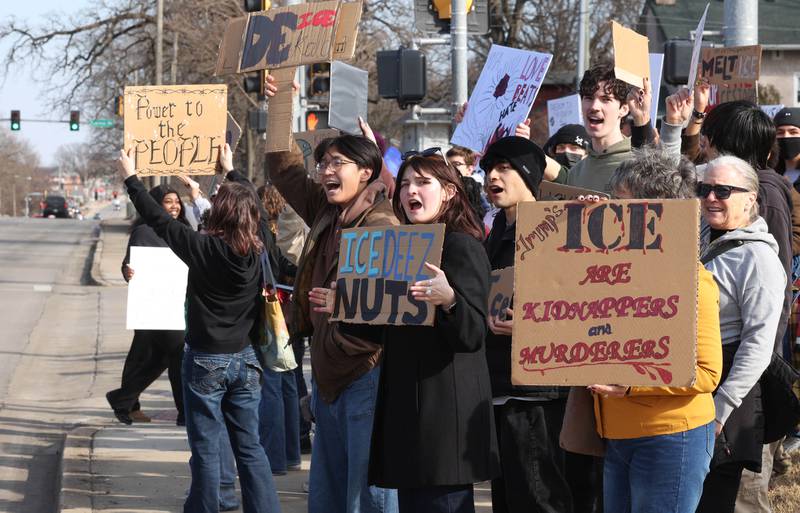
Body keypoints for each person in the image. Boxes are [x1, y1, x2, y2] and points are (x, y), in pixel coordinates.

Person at [310, 150, 500, 513]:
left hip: (444, 416)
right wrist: (347, 306)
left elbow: (474, 334)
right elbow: (386, 327)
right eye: (407, 183)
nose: (411, 191)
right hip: (404, 410)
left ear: (449, 192)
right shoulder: (400, 248)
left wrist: (449, 300)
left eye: (424, 183)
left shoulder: (462, 245)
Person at [116, 144, 281, 513]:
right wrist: (230, 173)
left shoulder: (203, 249)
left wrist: (131, 178)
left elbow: (159, 220)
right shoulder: (259, 247)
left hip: (207, 360)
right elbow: (249, 204)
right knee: (250, 447)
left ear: (220, 215)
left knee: (206, 449)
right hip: (247, 361)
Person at [265, 90, 399, 513]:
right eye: (323, 163)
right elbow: (284, 171)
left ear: (366, 172)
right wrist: (278, 109)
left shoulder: (385, 222)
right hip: (325, 373)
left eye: (336, 163)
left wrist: (344, 299)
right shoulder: (325, 210)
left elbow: (396, 295)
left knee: (369, 493)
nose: (325, 172)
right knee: (328, 492)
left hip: (365, 371)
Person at [585, 147, 723, 513]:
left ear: (655, 214)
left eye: (622, 204)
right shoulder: (607, 275)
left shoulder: (692, 280)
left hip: (670, 437)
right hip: (616, 436)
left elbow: (707, 373)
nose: (610, 212)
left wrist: (632, 383)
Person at [480, 136, 581, 513]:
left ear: (530, 176)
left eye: (505, 168)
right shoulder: (494, 232)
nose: (494, 176)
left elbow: (579, 309)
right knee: (507, 499)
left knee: (539, 498)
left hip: (538, 393)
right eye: (489, 168)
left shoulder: (556, 231)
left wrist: (531, 325)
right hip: (500, 388)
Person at [694, 156, 786, 513]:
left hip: (727, 402)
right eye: (705, 189)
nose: (711, 197)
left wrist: (721, 410)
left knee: (716, 502)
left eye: (723, 190)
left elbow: (759, 344)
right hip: (693, 390)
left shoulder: (758, 260)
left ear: (751, 199)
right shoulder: (700, 236)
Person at [106, 184, 188, 426]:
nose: (175, 206)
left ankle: (124, 400)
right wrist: (127, 271)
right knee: (146, 356)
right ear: (155, 205)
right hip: (150, 303)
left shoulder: (183, 229)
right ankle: (130, 404)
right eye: (168, 202)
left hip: (176, 303)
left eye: (177, 202)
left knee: (170, 357)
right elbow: (129, 263)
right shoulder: (143, 231)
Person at [256, 184, 302, 476]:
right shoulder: (294, 223)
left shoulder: (261, 234)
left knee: (273, 382)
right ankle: (291, 453)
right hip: (290, 311)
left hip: (272, 314)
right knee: (288, 381)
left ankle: (275, 458)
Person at [558, 63, 634, 192]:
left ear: (624, 109)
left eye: (605, 99)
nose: (594, 107)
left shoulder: (638, 163)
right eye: (588, 98)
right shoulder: (575, 173)